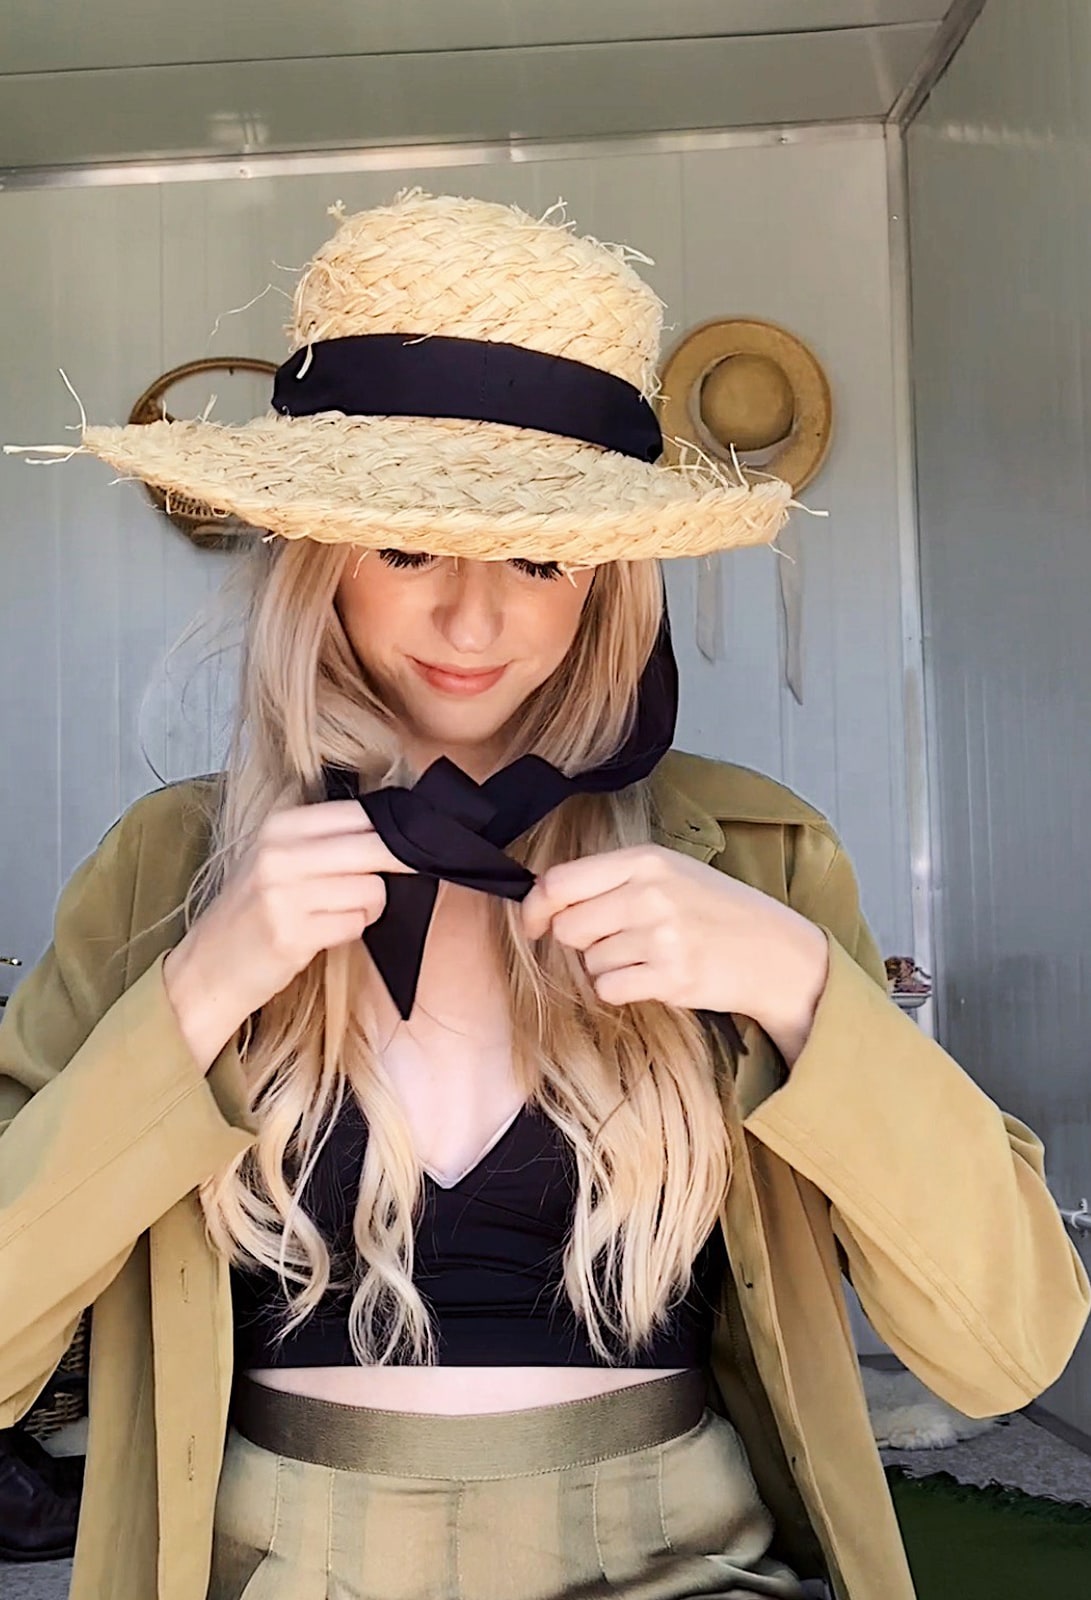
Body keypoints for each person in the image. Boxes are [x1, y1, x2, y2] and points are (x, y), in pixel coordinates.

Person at [0, 191, 1087, 1600]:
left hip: (679, 1563)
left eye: (540, 555)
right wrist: (196, 997)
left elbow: (1011, 1347)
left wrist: (800, 989)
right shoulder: (168, 870)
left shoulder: (754, 855)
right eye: (407, 548)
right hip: (267, 1565)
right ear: (317, 567)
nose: (474, 620)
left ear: (610, 583)